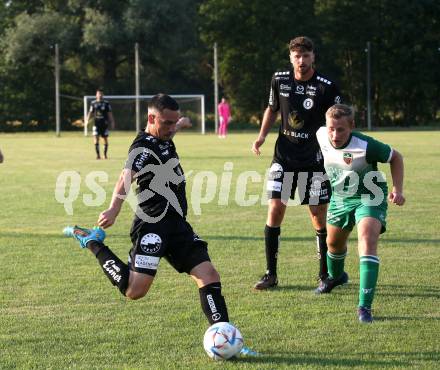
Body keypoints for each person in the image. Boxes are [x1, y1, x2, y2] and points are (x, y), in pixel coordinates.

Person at [64, 94, 256, 353]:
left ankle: (227, 339)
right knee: (135, 290)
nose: (171, 127)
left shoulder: (164, 134)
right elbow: (126, 177)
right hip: (151, 225)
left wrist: (182, 123)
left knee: (208, 275)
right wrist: (113, 208)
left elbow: (172, 129)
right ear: (151, 118)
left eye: (174, 122)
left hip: (177, 224)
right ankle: (93, 242)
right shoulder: (141, 147)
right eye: (167, 123)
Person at [252, 36, 343, 290]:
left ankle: (324, 274)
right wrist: (261, 137)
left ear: (313, 57)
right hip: (283, 157)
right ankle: (271, 274)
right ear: (290, 58)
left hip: (314, 160)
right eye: (296, 56)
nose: (301, 61)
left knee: (317, 215)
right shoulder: (279, 79)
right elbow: (272, 108)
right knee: (275, 209)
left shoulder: (327, 87)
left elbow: (338, 121)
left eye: (306, 56)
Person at [315, 104, 405, 323]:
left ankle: (364, 307)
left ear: (352, 126)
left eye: (341, 129)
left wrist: (397, 190)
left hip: (370, 196)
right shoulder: (320, 135)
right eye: (331, 129)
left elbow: (396, 157)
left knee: (366, 240)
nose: (335, 135)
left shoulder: (365, 145)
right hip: (340, 198)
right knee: (333, 245)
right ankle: (336, 277)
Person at [86, 88, 115, 159]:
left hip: (104, 124)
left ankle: (105, 155)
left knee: (105, 139)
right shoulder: (93, 103)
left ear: (103, 95)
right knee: (96, 138)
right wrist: (87, 120)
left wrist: (112, 121)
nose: (100, 95)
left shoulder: (106, 103)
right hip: (96, 124)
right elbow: (90, 112)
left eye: (101, 94)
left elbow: (109, 113)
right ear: (96, 95)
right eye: (98, 93)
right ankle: (98, 155)